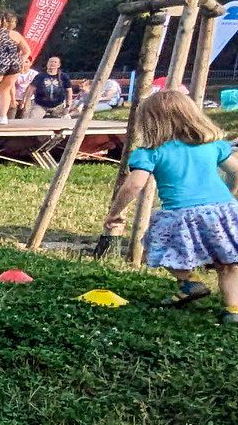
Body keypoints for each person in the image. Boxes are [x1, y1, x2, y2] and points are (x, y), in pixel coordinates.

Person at [102, 89, 238, 319]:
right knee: (229, 264)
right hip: (224, 211)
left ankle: (187, 281)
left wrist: (115, 212)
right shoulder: (212, 145)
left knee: (160, 245)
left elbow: (133, 186)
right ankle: (233, 310)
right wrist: (230, 193)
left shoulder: (150, 153)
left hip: (181, 214)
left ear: (150, 123)